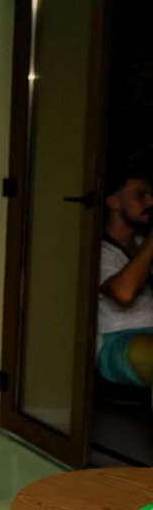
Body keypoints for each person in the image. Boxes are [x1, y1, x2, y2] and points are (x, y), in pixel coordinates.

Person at [97, 158, 153, 400]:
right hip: (117, 340)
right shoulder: (98, 251)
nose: (151, 202)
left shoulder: (142, 244)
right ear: (113, 201)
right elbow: (123, 294)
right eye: (140, 195)